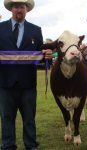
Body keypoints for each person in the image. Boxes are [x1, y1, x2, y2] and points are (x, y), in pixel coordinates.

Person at [0, 0, 52, 150]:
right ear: (11, 9)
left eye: (22, 7)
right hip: (5, 84)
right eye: (16, 7)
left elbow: (40, 58)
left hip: (28, 84)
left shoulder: (36, 30)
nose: (19, 10)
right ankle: (8, 145)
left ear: (27, 9)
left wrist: (47, 56)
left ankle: (31, 145)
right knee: (6, 118)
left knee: (29, 119)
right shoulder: (0, 28)